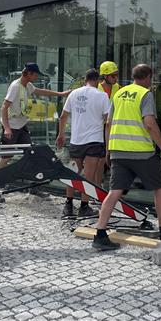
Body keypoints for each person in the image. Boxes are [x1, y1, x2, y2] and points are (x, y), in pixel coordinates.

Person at [92, 64, 161, 250]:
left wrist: (108, 150)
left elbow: (108, 124)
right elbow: (149, 124)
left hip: (118, 151)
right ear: (147, 77)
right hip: (141, 152)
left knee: (114, 192)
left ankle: (100, 233)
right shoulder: (144, 94)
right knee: (159, 187)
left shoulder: (118, 94)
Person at [0, 62, 70, 203]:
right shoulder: (15, 86)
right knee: (5, 158)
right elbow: (4, 107)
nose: (37, 77)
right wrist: (7, 129)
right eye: (36, 74)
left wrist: (60, 94)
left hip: (21, 126)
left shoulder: (27, 85)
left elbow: (40, 91)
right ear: (29, 73)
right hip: (12, 127)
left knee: (31, 155)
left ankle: (33, 187)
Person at [56, 68, 110, 218]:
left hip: (76, 140)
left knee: (73, 172)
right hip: (94, 140)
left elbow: (63, 116)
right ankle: (84, 207)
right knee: (89, 175)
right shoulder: (102, 96)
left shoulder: (74, 94)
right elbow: (108, 121)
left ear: (85, 79)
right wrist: (108, 143)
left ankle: (68, 205)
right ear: (98, 81)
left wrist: (61, 134)